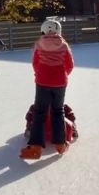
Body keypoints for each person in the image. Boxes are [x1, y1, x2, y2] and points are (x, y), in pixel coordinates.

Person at [20, 17, 74, 160]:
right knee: (58, 111)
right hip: (60, 83)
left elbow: (35, 62)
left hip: (43, 81)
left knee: (39, 112)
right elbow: (69, 65)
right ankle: (60, 144)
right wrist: (62, 75)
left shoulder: (39, 43)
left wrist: (40, 74)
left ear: (43, 30)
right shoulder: (64, 45)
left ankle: (36, 147)